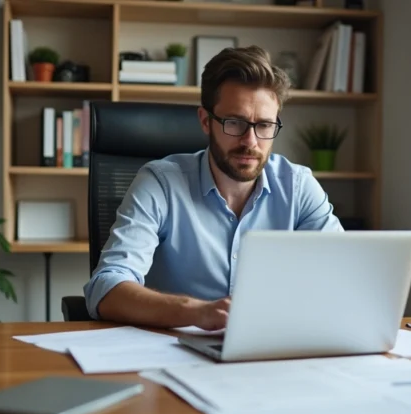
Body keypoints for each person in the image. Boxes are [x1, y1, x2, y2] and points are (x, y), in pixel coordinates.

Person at [83, 45, 344, 330]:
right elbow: (106, 288)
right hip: (175, 352)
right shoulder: (161, 182)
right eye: (235, 123)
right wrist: (197, 313)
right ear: (206, 121)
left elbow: (345, 274)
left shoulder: (298, 186)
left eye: (265, 125)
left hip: (272, 350)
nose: (251, 141)